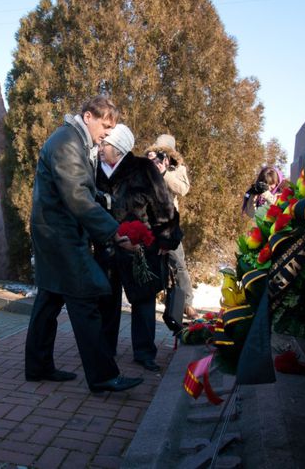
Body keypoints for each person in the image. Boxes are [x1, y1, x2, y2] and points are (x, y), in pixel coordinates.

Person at [24, 96, 143, 394]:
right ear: (88, 116)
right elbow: (78, 196)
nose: (107, 133)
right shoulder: (67, 142)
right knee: (85, 299)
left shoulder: (75, 139)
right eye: (105, 125)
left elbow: (84, 193)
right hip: (60, 236)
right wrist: (114, 233)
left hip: (56, 233)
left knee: (50, 300)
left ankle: (37, 365)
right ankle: (102, 375)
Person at [95, 124, 181, 372]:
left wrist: (165, 239)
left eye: (106, 145)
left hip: (140, 248)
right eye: (101, 144)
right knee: (106, 300)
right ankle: (105, 348)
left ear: (119, 148)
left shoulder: (143, 169)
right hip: (107, 248)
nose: (101, 148)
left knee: (143, 301)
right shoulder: (95, 171)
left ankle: (144, 352)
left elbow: (164, 206)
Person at [145, 135, 197, 320]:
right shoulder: (149, 163)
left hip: (169, 223)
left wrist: (165, 173)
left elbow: (183, 189)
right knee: (154, 263)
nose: (161, 154)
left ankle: (187, 303)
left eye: (164, 151)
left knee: (178, 263)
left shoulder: (178, 168)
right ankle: (162, 299)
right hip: (150, 221)